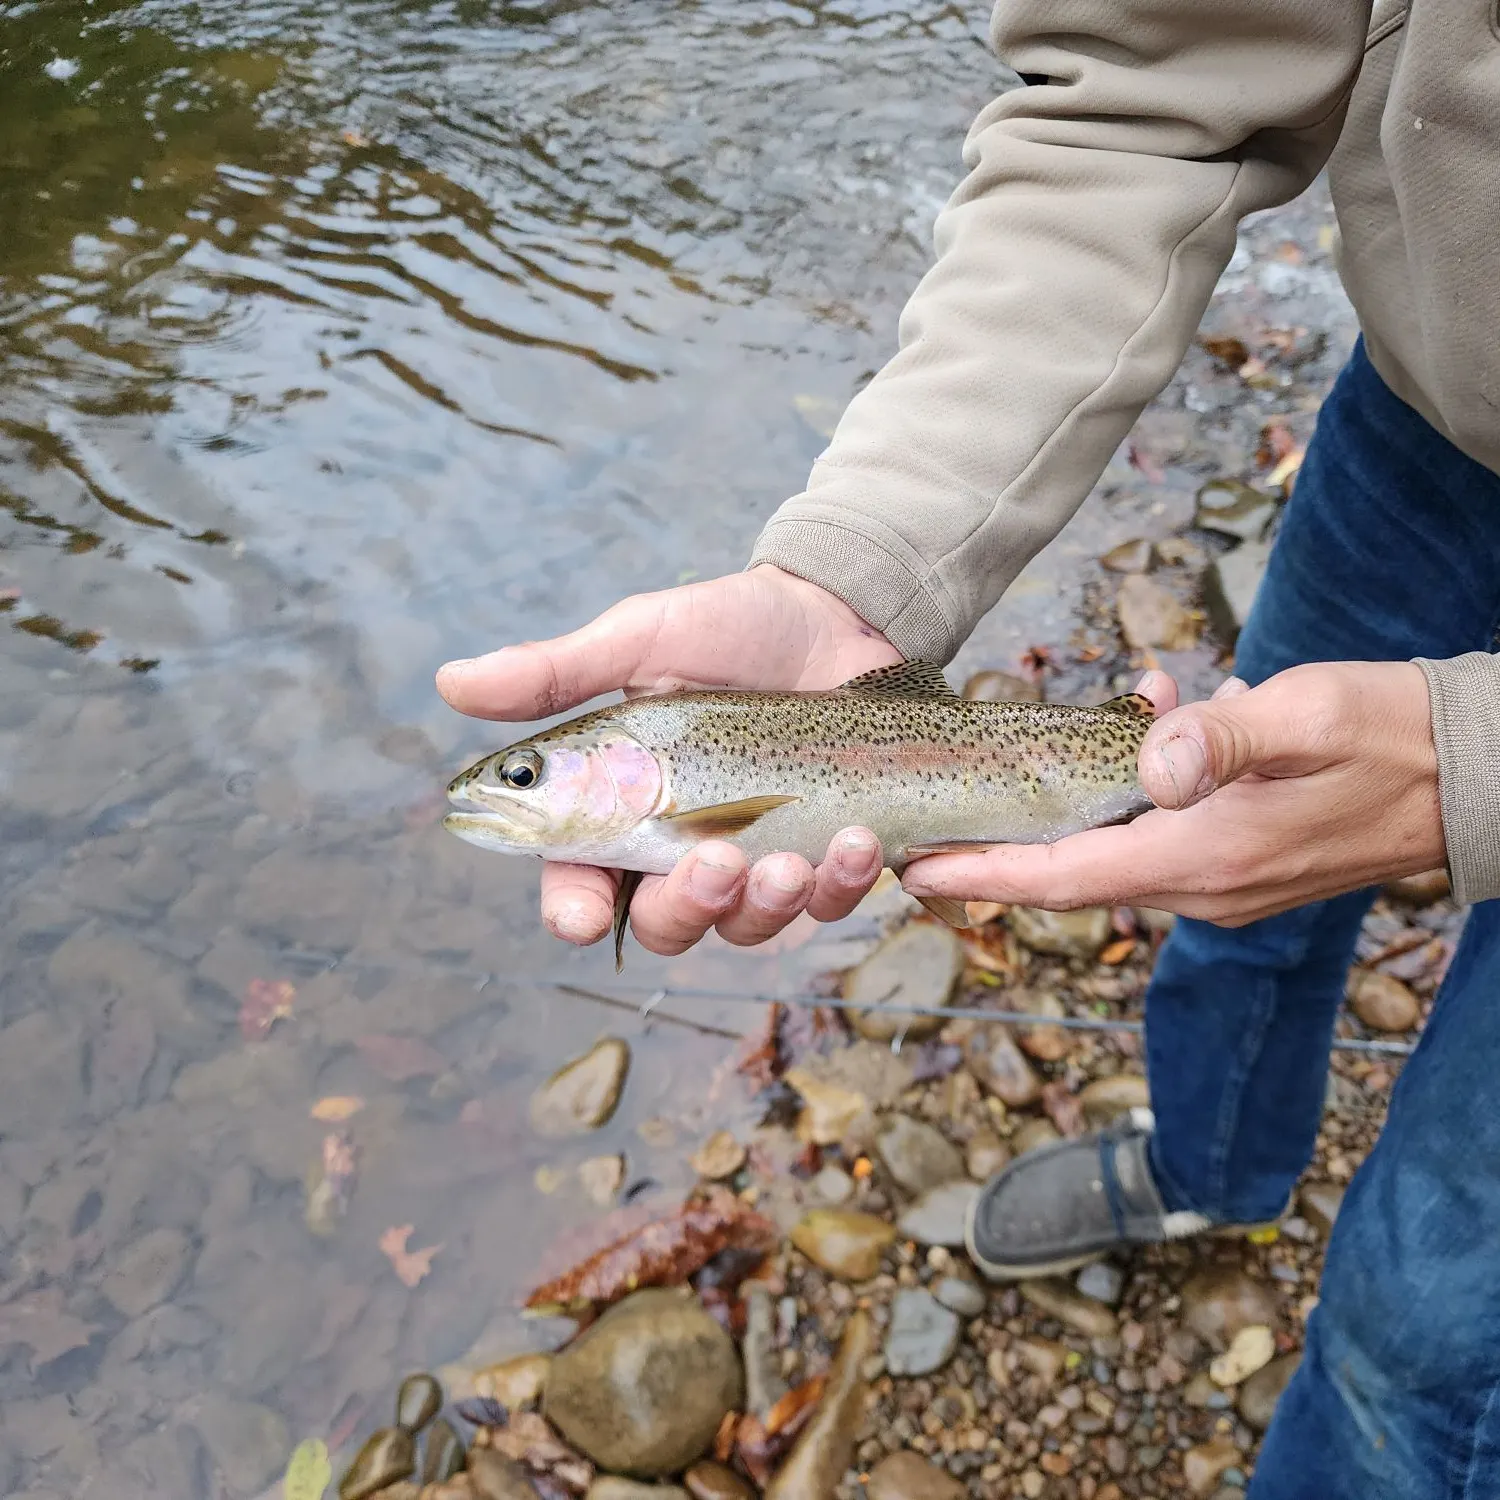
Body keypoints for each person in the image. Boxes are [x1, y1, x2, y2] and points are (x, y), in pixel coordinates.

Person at [438, 2, 1500, 1494]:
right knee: (1227, 874)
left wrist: (1473, 763)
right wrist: (860, 571)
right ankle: (1208, 1172)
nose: (510, 791)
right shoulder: (684, 768)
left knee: (1424, 1330)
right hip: (1427, 419)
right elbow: (1143, 95)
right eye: (528, 777)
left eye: (529, 774)